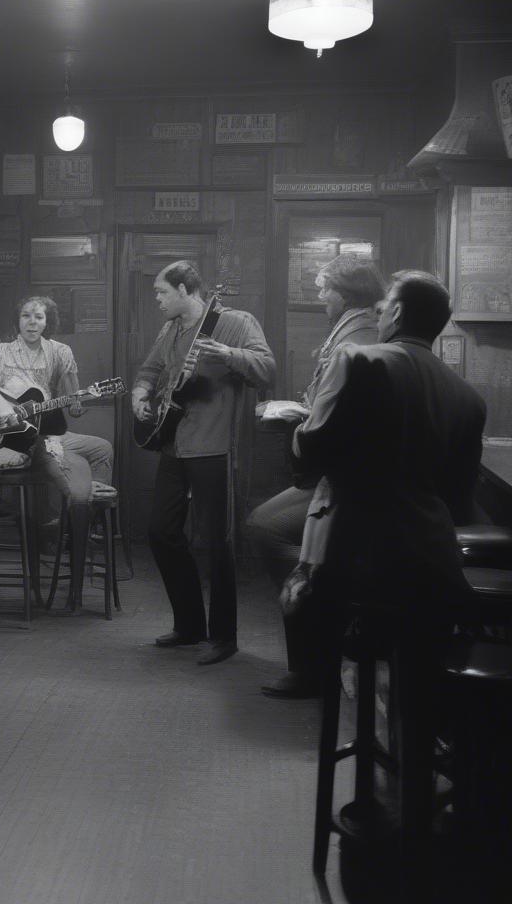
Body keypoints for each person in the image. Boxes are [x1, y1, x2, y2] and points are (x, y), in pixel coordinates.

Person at [289, 272, 484, 893]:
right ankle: (418, 788)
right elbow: (457, 497)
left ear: (396, 313)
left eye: (383, 306)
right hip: (431, 569)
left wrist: (298, 428)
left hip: (352, 564)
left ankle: (368, 752)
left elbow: (310, 455)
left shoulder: (359, 359)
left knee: (337, 626)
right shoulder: (466, 394)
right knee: (416, 665)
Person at [246, 255, 385, 698]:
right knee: (268, 526)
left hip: (347, 479)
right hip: (339, 469)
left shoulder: (357, 336)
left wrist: (299, 423)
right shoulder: (353, 329)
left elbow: (336, 417)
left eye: (326, 288)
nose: (321, 296)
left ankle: (319, 627)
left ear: (345, 293)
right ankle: (315, 641)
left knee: (268, 528)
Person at [132, 261, 275, 664]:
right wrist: (139, 395)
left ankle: (224, 637)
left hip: (215, 445)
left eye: (162, 292)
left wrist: (229, 354)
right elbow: (150, 369)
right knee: (161, 532)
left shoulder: (236, 322)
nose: (157, 300)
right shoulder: (169, 329)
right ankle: (190, 624)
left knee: (218, 541)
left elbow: (267, 369)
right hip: (174, 442)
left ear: (183, 289)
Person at [0, 295, 114, 613]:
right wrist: (6, 412)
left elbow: (72, 404)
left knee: (103, 447)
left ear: (49, 322)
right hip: (14, 437)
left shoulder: (60, 352)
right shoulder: (0, 352)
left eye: (39, 317)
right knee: (59, 463)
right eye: (26, 316)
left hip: (48, 431)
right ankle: (73, 512)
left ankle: (87, 523)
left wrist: (77, 401)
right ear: (17, 320)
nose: (33, 322)